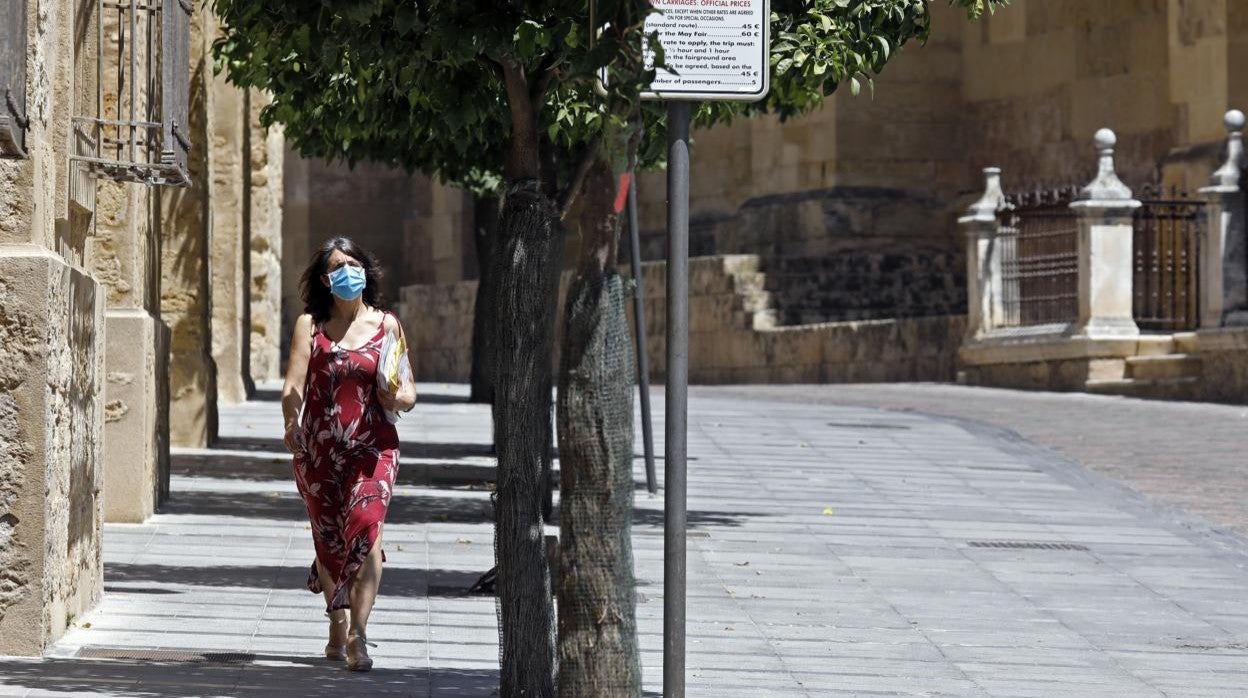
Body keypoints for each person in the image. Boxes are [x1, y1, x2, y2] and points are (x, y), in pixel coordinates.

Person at [280, 237, 417, 671]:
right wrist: (290, 421)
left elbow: (409, 390)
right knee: (329, 540)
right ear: (325, 279)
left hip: (373, 446)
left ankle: (359, 635)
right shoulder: (311, 325)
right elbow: (293, 385)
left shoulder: (388, 326)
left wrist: (396, 398)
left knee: (367, 529)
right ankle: (336, 622)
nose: (347, 271)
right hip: (319, 449)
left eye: (353, 263)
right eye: (338, 266)